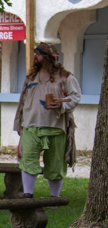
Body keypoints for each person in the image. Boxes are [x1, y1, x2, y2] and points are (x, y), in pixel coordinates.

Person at [13, 42, 80, 198]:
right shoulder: (31, 78)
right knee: (28, 160)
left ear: (49, 57)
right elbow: (22, 101)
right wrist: (18, 123)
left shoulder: (64, 77)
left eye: (38, 53)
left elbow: (75, 96)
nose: (35, 56)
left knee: (56, 163)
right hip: (31, 126)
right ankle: (28, 196)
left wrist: (62, 104)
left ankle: (54, 199)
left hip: (55, 127)